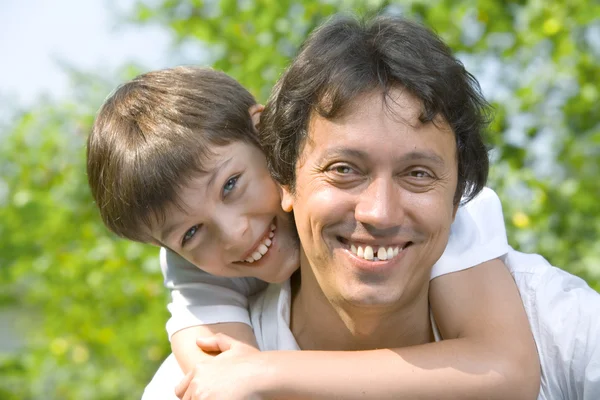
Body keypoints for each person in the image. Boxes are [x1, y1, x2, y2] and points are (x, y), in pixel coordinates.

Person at [142, 15, 600, 400]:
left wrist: (266, 371)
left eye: (418, 174)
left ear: (458, 192)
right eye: (344, 169)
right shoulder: (196, 380)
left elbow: (508, 368)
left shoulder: (561, 329)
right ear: (282, 175)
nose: (379, 212)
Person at [87, 61, 540, 399]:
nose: (235, 233)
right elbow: (223, 379)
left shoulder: (439, 207)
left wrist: (269, 372)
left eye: (231, 185)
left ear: (265, 135)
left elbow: (504, 370)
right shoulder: (194, 271)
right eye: (190, 234)